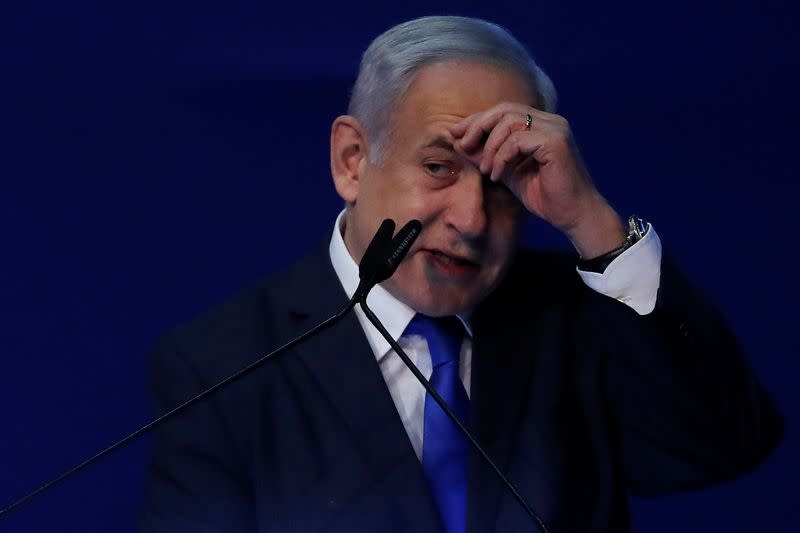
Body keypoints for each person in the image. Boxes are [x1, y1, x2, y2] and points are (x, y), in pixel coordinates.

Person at [139, 16, 782, 533]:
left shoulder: (582, 314)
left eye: (503, 183)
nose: (472, 219)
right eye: (440, 168)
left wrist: (593, 222)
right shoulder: (218, 364)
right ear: (353, 160)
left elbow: (721, 449)